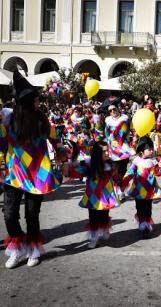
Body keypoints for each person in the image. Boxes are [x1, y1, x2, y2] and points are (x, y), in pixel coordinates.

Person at [1, 71, 64, 268]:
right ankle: (19, 247)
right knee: (9, 213)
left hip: (38, 173)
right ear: (26, 102)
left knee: (31, 214)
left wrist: (63, 152)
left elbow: (55, 139)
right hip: (15, 173)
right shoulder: (8, 118)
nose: (39, 102)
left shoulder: (41, 120)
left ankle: (34, 248)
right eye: (36, 100)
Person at [67, 141, 121, 249]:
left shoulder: (110, 165)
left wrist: (119, 185)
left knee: (104, 217)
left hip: (106, 197)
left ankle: (105, 228)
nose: (106, 153)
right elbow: (77, 173)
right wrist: (69, 167)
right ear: (97, 153)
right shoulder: (88, 165)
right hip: (92, 197)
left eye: (107, 151)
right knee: (93, 218)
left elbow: (116, 178)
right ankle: (94, 238)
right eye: (104, 151)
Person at [122, 136, 160, 238]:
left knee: (148, 208)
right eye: (149, 149)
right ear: (142, 151)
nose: (152, 151)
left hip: (149, 191)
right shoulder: (136, 161)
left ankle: (146, 225)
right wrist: (124, 181)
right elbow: (130, 172)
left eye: (152, 149)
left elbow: (158, 172)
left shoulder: (153, 161)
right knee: (140, 208)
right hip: (138, 190)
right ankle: (142, 225)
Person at [105, 103, 135, 194]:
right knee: (115, 169)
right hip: (113, 149)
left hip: (123, 148)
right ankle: (117, 188)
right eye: (110, 110)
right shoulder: (108, 121)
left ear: (118, 109)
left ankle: (121, 187)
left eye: (114, 109)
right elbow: (106, 133)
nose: (112, 111)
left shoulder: (125, 119)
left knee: (123, 169)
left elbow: (128, 131)